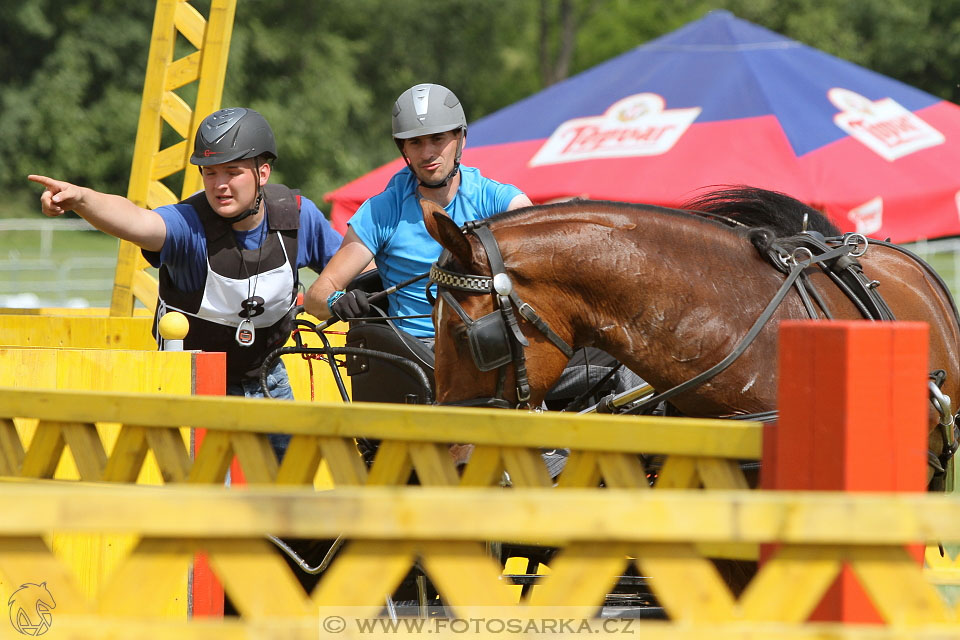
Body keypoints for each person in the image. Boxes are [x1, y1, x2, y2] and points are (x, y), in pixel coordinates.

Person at [29, 107, 343, 456]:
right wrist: (84, 199)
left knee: (292, 498)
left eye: (232, 172)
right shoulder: (187, 224)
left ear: (263, 172)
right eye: (209, 173)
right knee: (208, 504)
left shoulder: (298, 216)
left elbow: (353, 267)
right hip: (192, 387)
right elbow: (137, 220)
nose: (219, 184)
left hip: (269, 380)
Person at [304, 83, 532, 339]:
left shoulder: (499, 200)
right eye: (415, 142)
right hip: (416, 354)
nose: (427, 153)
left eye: (437, 139)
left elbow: (539, 260)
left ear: (461, 139)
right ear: (404, 148)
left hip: (486, 345)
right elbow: (315, 297)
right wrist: (336, 300)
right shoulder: (380, 211)